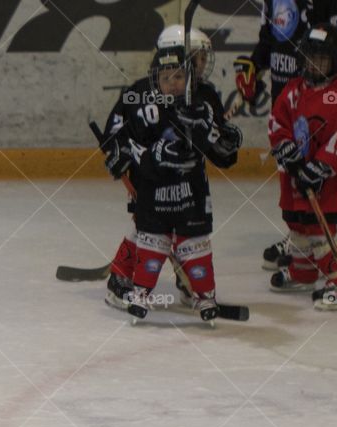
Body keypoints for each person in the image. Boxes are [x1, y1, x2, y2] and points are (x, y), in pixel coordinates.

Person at [102, 27, 242, 322]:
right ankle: (120, 280)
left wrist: (225, 144)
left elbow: (220, 153)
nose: (202, 65)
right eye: (196, 57)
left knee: (187, 231)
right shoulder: (141, 91)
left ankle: (187, 279)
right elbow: (113, 134)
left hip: (188, 183)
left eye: (202, 59)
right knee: (147, 226)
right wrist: (119, 154)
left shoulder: (204, 94)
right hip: (149, 176)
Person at [232, 0, 337, 269]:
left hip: (317, 113)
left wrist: (327, 100)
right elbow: (270, 39)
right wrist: (254, 65)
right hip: (289, 100)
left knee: (316, 188)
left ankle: (320, 251)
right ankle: (299, 241)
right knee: (292, 186)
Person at [268, 24, 337, 310]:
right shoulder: (293, 90)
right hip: (295, 175)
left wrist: (319, 169)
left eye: (321, 60)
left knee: (320, 232)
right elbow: (277, 123)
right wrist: (286, 150)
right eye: (309, 58)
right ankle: (304, 272)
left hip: (328, 181)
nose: (314, 65)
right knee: (297, 225)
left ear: (336, 62)